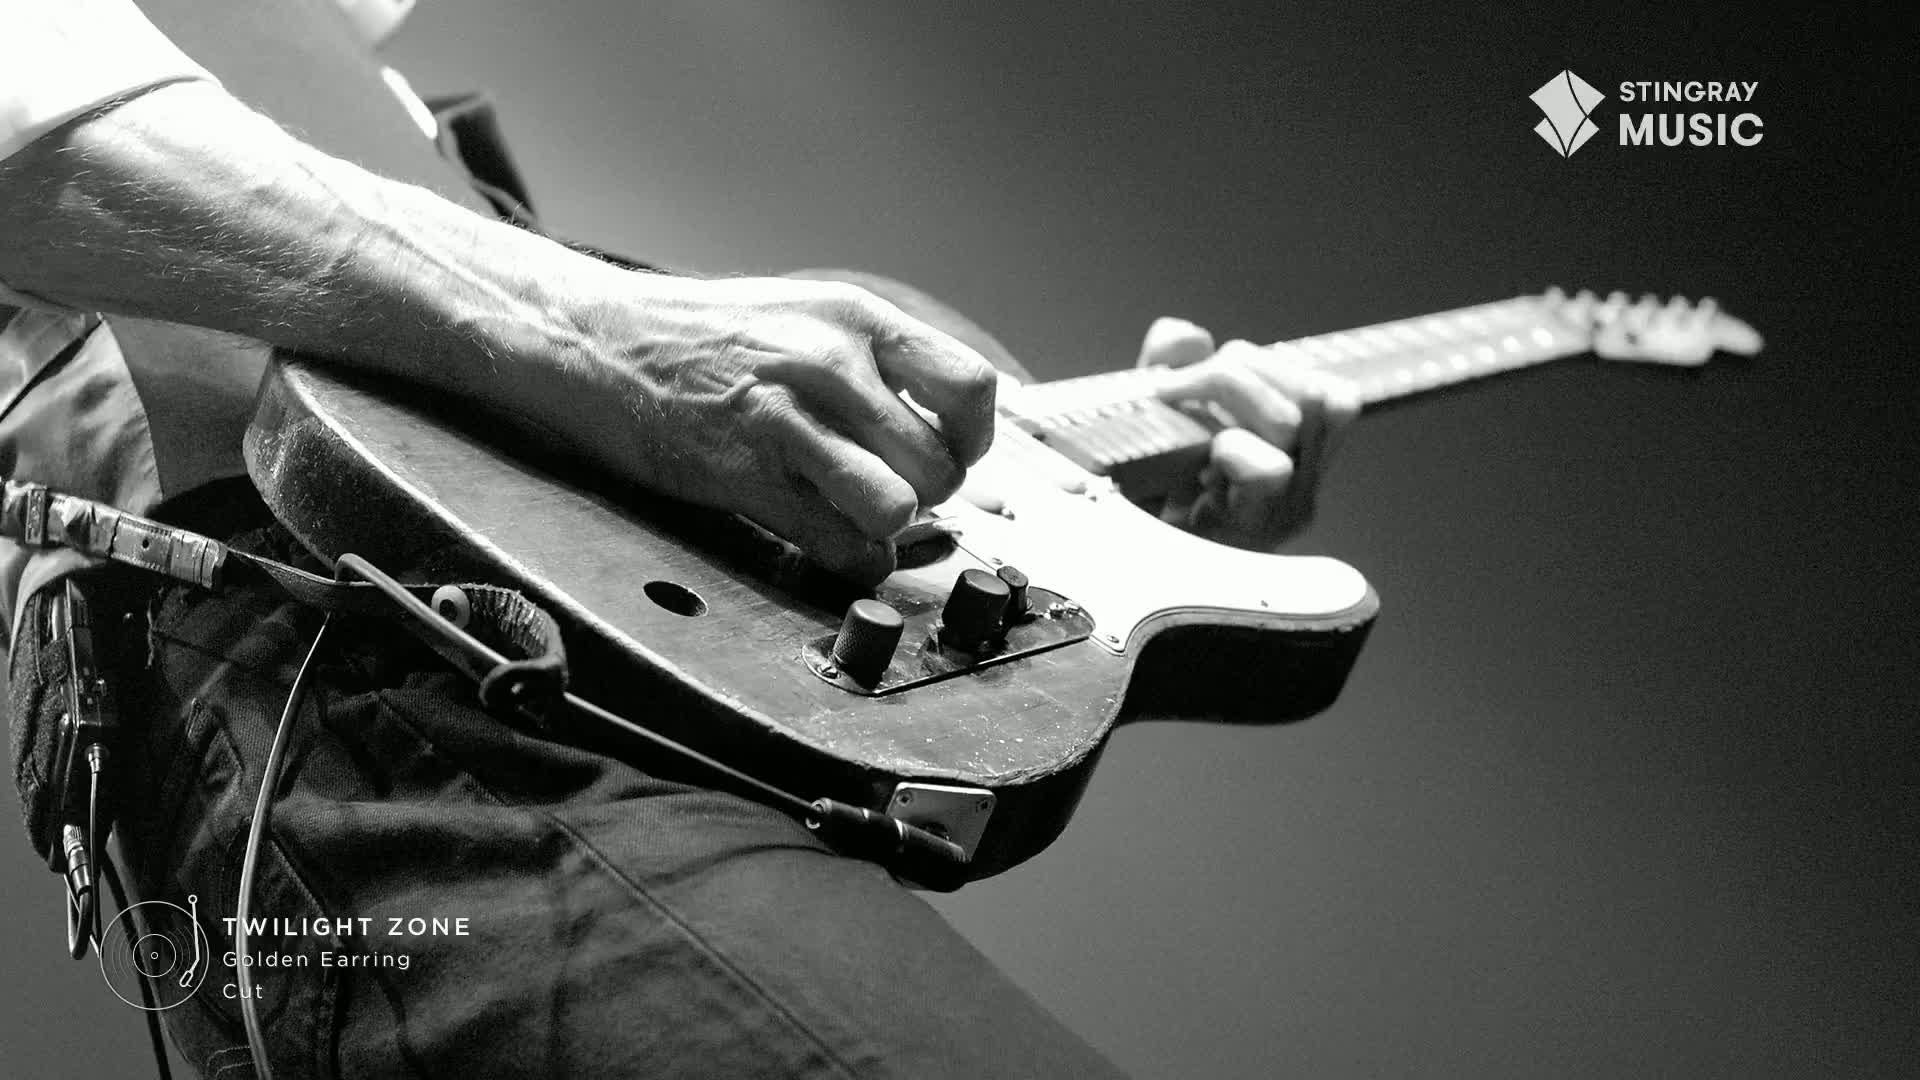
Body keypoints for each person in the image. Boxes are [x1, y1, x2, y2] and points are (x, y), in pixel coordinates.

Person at [0, 1, 1360, 1076]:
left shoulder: (341, 68)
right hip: (330, 626)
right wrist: (604, 334)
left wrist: (1089, 516)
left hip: (556, 668)